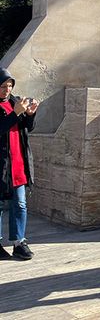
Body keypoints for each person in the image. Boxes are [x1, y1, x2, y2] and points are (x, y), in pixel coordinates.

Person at [0, 68, 38, 260]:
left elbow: (26, 128)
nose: (7, 90)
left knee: (20, 204)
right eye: (3, 86)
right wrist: (15, 114)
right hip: (1, 166)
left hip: (18, 164)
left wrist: (29, 115)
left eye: (9, 86)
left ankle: (18, 242)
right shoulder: (12, 108)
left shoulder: (15, 103)